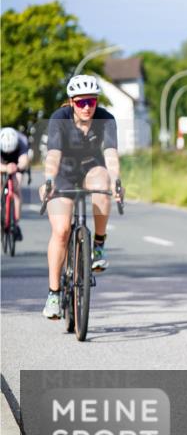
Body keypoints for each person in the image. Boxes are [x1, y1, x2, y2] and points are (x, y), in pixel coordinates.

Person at [38, 75, 123, 319]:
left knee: (103, 181)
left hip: (90, 169)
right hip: (63, 173)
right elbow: (53, 154)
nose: (87, 107)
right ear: (72, 102)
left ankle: (98, 245)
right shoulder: (59, 119)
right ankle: (54, 294)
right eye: (81, 102)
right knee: (62, 230)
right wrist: (49, 180)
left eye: (92, 102)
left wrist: (116, 180)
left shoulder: (106, 120)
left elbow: (111, 154)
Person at [0, 127, 31, 241]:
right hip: (2, 161)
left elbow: (24, 160)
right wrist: (5, 167)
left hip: (16, 160)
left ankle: (15, 223)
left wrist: (17, 167)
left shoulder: (22, 140)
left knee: (17, 187)